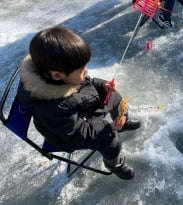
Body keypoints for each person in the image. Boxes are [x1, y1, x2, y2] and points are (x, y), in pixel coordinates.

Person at [16, 26, 141, 180]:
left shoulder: (61, 75)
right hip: (68, 135)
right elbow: (77, 134)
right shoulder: (51, 106)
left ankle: (123, 120)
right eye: (82, 70)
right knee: (110, 139)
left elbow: (88, 83)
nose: (87, 72)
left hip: (79, 107)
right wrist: (108, 128)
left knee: (115, 97)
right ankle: (114, 163)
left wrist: (103, 86)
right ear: (56, 75)